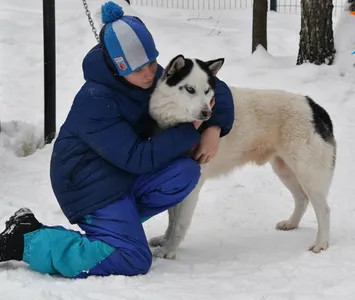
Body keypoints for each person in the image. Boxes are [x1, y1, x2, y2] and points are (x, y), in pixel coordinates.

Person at [0, 1, 234, 278]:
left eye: (152, 63)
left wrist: (213, 128)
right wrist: (192, 128)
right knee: (133, 258)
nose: (150, 74)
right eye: (139, 69)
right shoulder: (96, 101)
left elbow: (214, 86)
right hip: (87, 184)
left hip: (119, 174)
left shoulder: (149, 76)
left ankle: (120, 228)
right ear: (117, 67)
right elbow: (137, 158)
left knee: (184, 172)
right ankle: (26, 239)